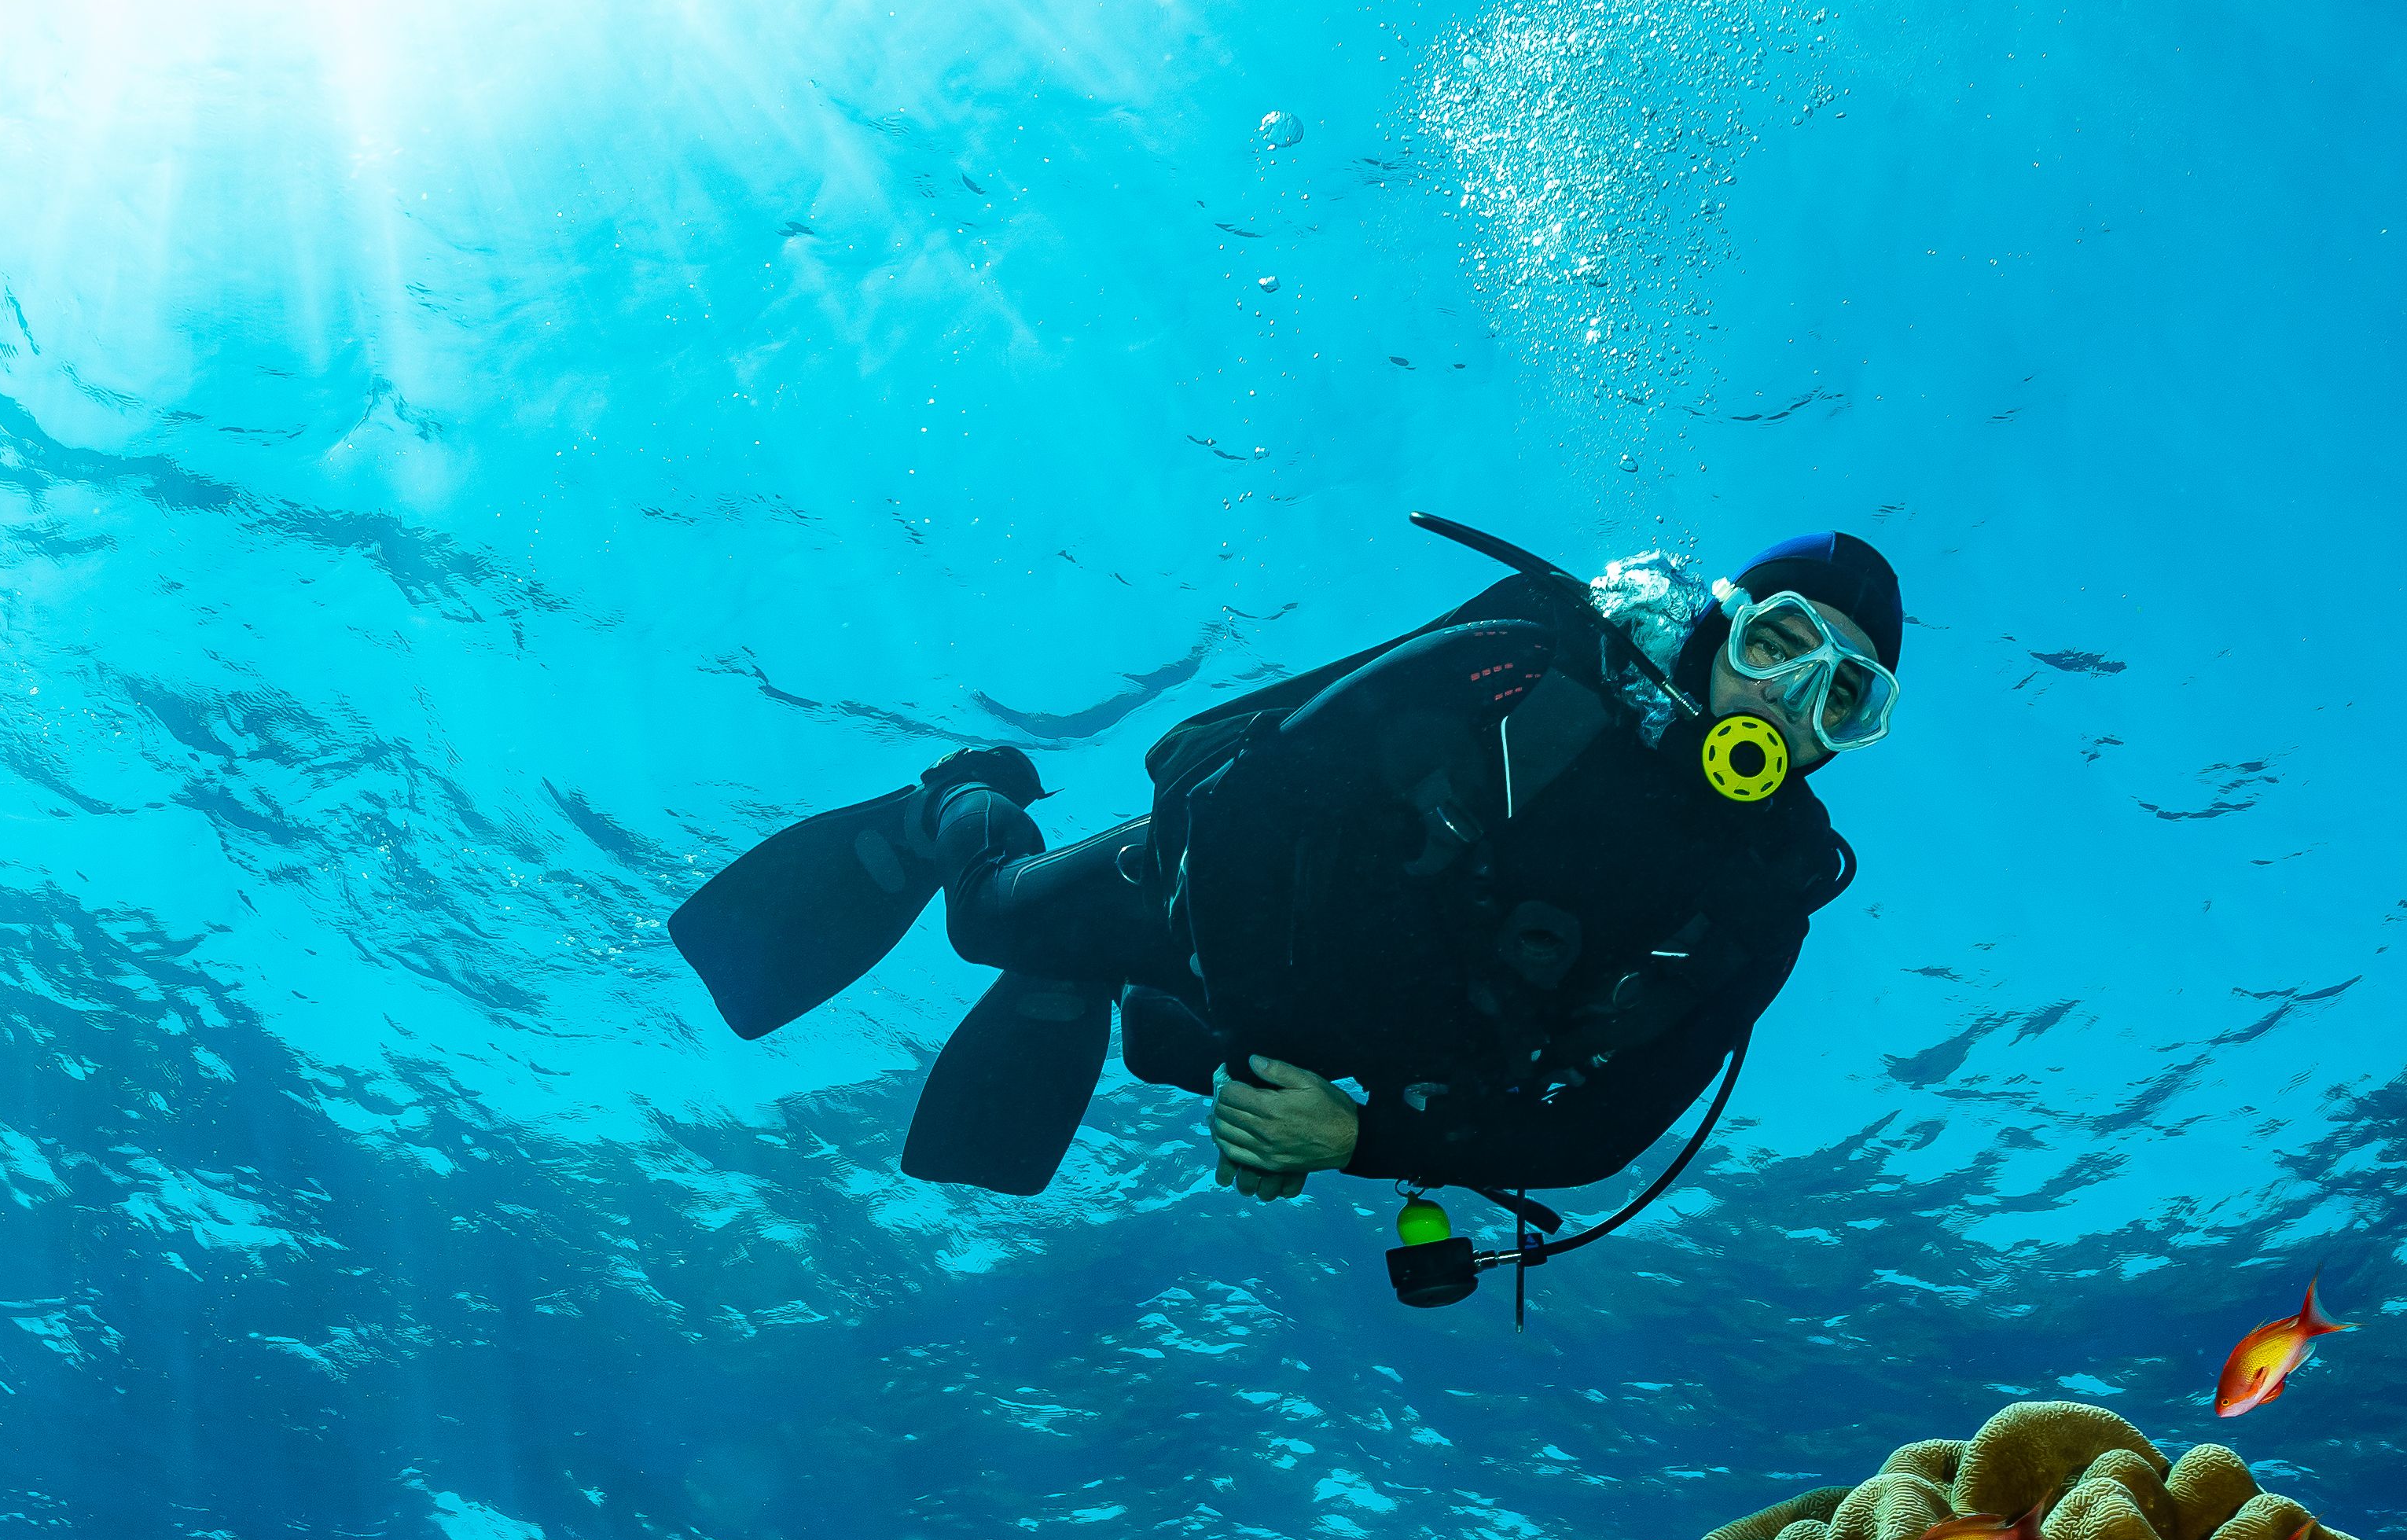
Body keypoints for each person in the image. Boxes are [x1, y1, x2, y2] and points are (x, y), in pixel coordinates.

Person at [667, 516, 1894, 1291]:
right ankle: (957, 794)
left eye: (1844, 697)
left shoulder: (1760, 902)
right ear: (1721, 625)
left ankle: (1121, 999)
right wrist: (1265, 1078)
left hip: (1348, 1044)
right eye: (1781, 643)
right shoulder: (1531, 659)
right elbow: (1251, 802)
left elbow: (1605, 1135)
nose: (1790, 703)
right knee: (988, 919)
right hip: (1213, 894)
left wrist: (1356, 1141)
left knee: (1157, 1047)